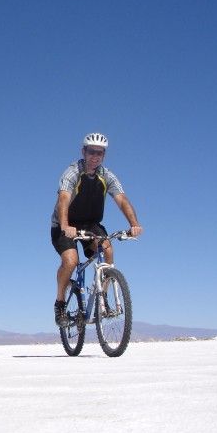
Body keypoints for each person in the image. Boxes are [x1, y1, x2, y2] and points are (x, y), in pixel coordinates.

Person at [51, 133, 143, 325]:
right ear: (83, 151)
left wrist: (134, 224)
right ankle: (60, 303)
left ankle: (104, 298)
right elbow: (64, 199)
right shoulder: (72, 173)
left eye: (100, 153)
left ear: (104, 155)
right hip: (64, 223)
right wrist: (66, 226)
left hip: (91, 224)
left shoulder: (106, 176)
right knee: (71, 261)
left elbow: (122, 200)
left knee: (108, 250)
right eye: (92, 152)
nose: (95, 156)